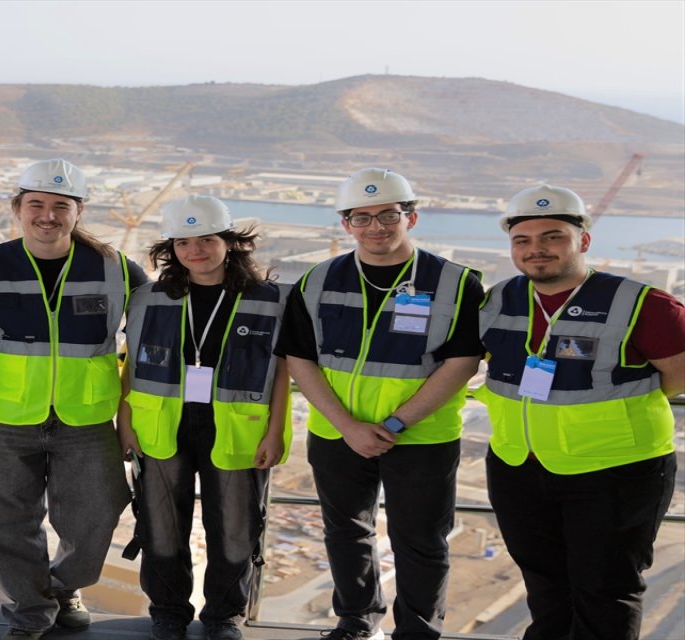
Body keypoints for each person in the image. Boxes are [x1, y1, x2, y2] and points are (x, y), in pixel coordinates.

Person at [276, 168, 484, 640]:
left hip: (422, 436)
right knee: (346, 532)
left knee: (421, 540)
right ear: (346, 224)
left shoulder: (456, 283)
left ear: (411, 216)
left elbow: (462, 362)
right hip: (337, 433)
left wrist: (394, 422)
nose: (376, 227)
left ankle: (417, 631)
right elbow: (300, 358)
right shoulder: (317, 280)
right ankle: (356, 620)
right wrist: (348, 425)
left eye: (388, 214)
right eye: (361, 217)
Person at [477, 185, 684, 640]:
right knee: (545, 589)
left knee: (605, 593)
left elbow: (679, 377)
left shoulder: (644, 304)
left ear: (583, 241)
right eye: (523, 241)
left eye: (553, 237)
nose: (537, 250)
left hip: (615, 473)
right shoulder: (497, 301)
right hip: (519, 467)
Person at [0, 159, 148, 639]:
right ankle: (30, 608)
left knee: (98, 511)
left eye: (60, 206)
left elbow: (151, 345)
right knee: (3, 521)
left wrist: (130, 416)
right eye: (36, 204)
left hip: (87, 415)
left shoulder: (119, 269)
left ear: (78, 212)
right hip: (1, 415)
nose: (47, 216)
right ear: (17, 209)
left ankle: (62, 587)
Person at [116, 196, 290, 640]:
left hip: (236, 430)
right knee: (161, 527)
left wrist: (275, 432)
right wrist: (126, 420)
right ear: (171, 248)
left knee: (235, 529)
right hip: (161, 426)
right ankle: (169, 612)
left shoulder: (271, 300)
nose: (195, 250)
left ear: (230, 243)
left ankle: (223, 616)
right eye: (183, 241)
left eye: (207, 239)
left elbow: (283, 372)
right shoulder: (146, 298)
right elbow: (131, 365)